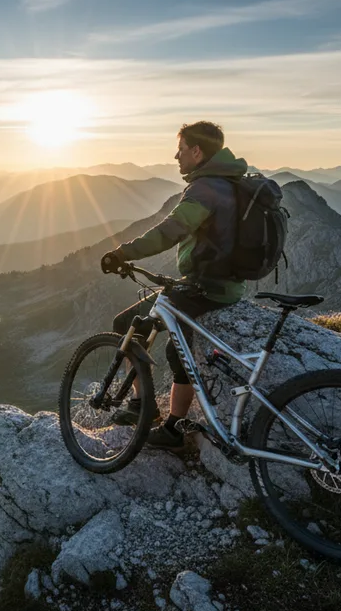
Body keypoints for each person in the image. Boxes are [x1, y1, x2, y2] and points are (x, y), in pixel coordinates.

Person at [100, 121, 248, 449]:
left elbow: (172, 230)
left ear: (197, 151)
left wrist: (123, 253)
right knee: (174, 347)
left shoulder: (207, 188)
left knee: (126, 324)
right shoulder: (234, 183)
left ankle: (144, 405)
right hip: (229, 285)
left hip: (204, 287)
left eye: (180, 150)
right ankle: (173, 427)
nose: (176, 156)